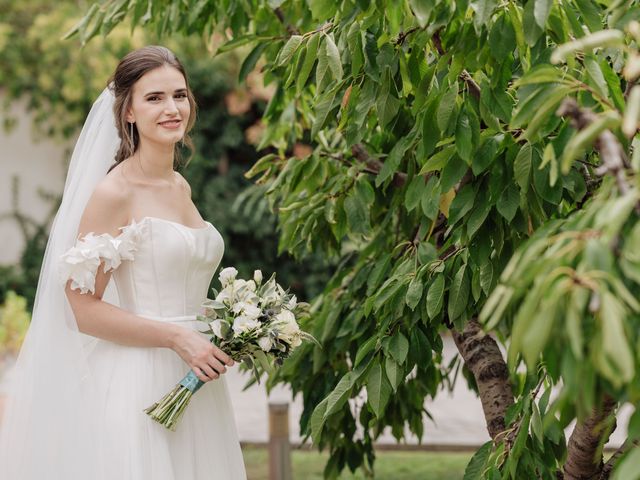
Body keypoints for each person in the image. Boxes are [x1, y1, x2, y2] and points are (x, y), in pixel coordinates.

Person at [0, 45, 247, 479]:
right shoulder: (114, 193)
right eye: (154, 98)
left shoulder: (180, 186)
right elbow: (82, 309)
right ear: (128, 112)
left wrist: (233, 325)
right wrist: (176, 337)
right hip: (140, 381)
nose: (172, 108)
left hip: (196, 378)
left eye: (180, 95)